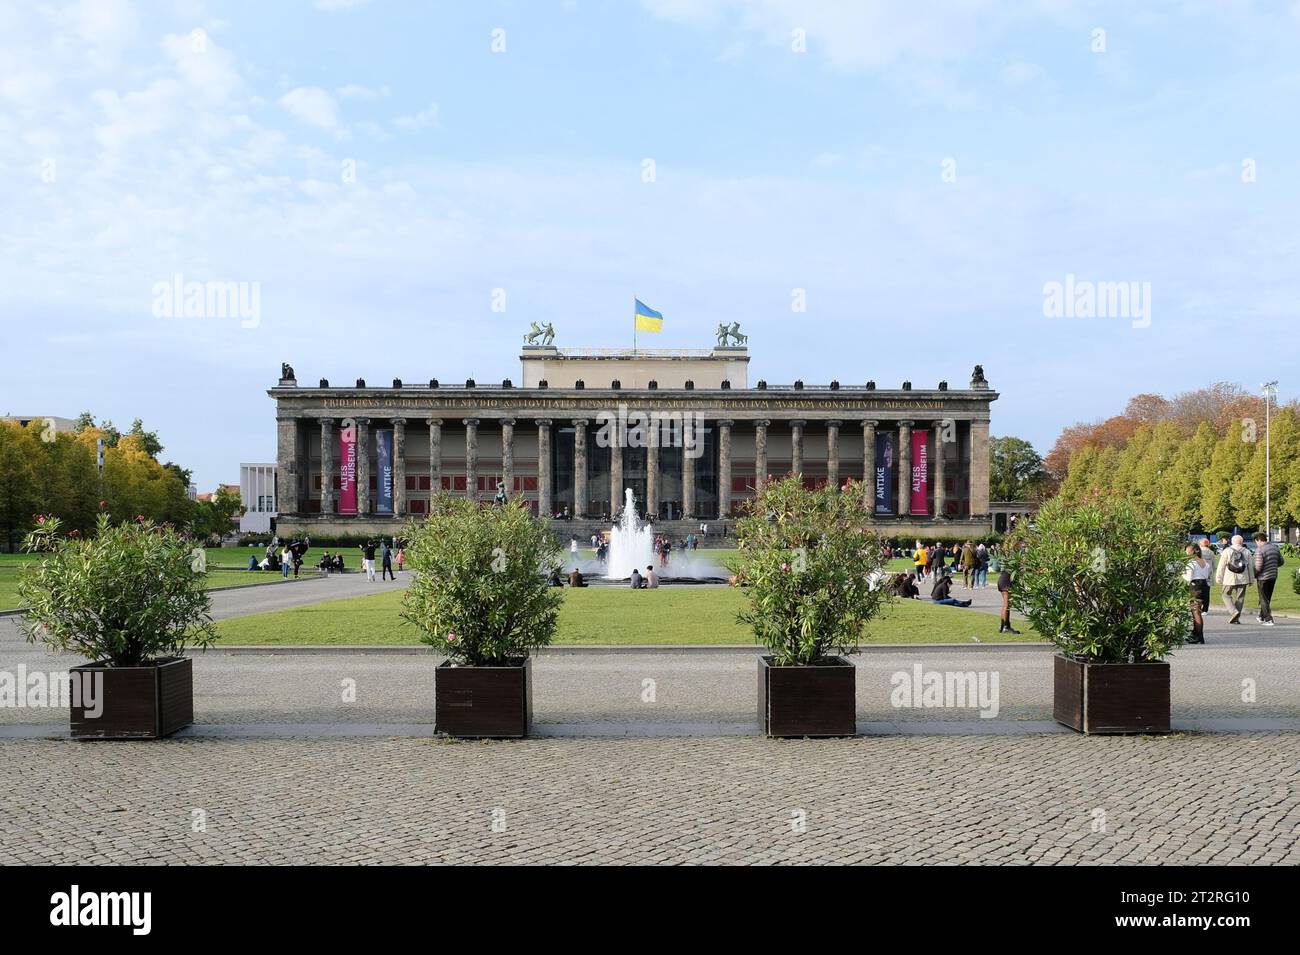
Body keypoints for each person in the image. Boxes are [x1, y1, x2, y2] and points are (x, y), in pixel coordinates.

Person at [1215, 534, 1254, 624]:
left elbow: (1221, 566)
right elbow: (1250, 567)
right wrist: (1251, 579)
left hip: (1229, 578)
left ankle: (1234, 612)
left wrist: (1219, 577)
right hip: (1243, 578)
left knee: (1225, 594)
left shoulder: (1227, 551)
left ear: (1232, 542)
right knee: (1240, 598)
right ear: (1242, 542)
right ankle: (1236, 617)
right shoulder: (1247, 552)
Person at [1252, 532, 1284, 627]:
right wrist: (1273, 566)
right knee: (1267, 597)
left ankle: (1268, 619)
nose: (1256, 543)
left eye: (1256, 541)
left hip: (1263, 577)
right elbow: (1281, 561)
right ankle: (1261, 616)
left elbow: (1258, 566)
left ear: (1258, 540)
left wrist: (1254, 575)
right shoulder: (1275, 548)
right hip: (1273, 576)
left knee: (1263, 598)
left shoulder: (1259, 550)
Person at [1184, 543, 1210, 644]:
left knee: (1196, 612)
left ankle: (1199, 636)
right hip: (1204, 586)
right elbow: (1206, 575)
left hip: (1195, 586)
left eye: (1187, 550)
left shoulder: (1191, 563)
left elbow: (1188, 577)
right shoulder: (1205, 562)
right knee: (1197, 612)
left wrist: (1182, 574)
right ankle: (1195, 634)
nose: (1186, 552)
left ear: (1192, 551)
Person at [997, 559, 1020, 634]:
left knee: (1006, 604)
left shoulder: (1009, 560)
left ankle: (1003, 626)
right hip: (1006, 580)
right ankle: (1006, 627)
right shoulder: (1014, 559)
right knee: (1007, 604)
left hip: (1003, 579)